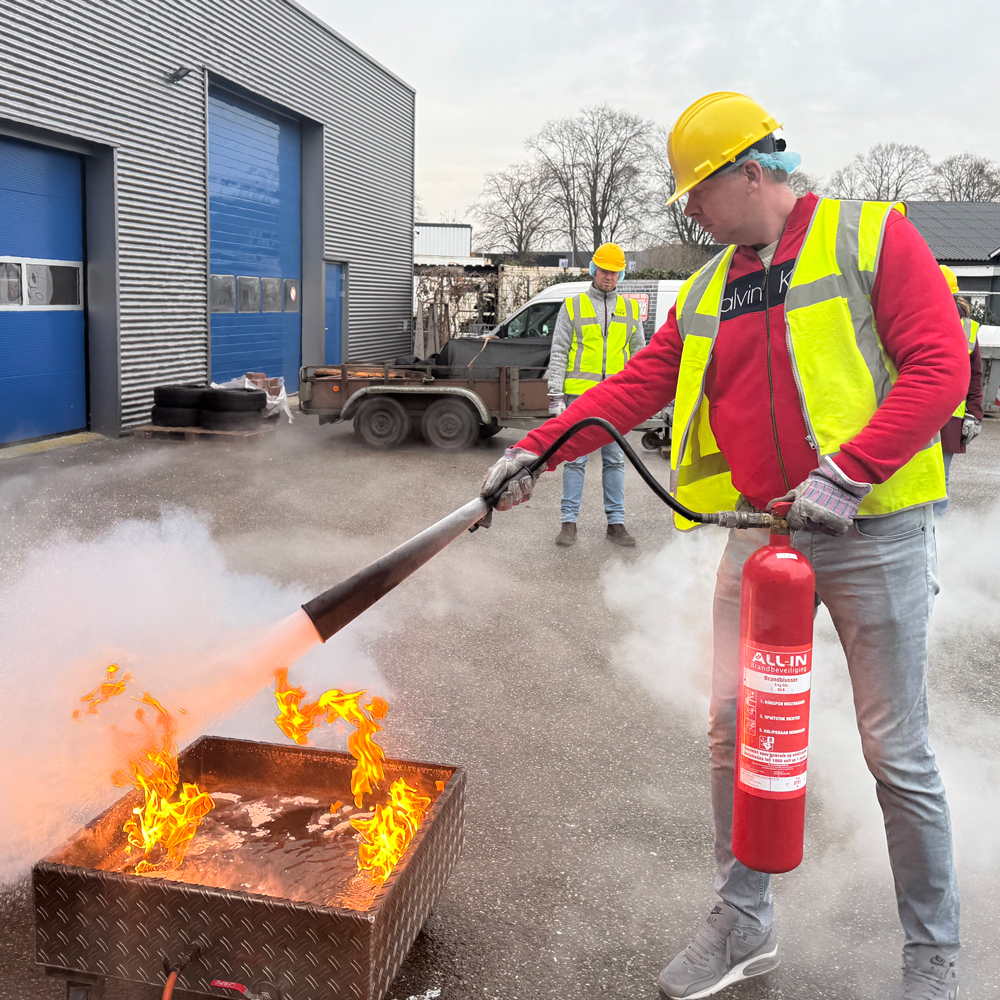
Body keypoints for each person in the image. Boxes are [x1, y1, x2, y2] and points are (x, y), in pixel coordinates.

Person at [482, 91, 968, 1000]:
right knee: (734, 727)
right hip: (767, 536)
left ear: (752, 173)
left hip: (875, 530)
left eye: (697, 194)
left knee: (894, 748)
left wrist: (849, 470)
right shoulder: (711, 288)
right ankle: (742, 922)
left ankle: (931, 954)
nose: (691, 213)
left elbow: (940, 363)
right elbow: (632, 389)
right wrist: (537, 452)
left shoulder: (871, 236)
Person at [545, 242, 645, 547]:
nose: (609, 277)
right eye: (604, 271)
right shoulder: (573, 306)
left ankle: (616, 524)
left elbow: (640, 356)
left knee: (615, 461)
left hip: (617, 399)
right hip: (579, 397)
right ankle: (568, 523)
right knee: (575, 460)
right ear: (593, 269)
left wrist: (641, 397)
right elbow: (559, 350)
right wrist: (555, 396)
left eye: (615, 273)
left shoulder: (630, 309)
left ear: (622, 274)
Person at [934, 265, 983, 516]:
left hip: (948, 418)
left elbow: (975, 375)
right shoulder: (916, 319)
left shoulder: (967, 329)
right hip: (926, 414)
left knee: (940, 481)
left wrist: (974, 414)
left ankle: (938, 536)